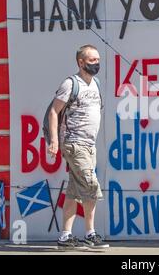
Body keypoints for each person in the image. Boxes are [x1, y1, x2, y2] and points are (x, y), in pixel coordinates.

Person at [47, 44, 108, 249]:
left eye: (98, 60)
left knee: (74, 191)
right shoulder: (70, 83)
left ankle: (65, 236)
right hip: (74, 143)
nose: (96, 64)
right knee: (91, 186)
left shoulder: (96, 83)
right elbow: (54, 112)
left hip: (89, 145)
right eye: (92, 60)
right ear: (81, 62)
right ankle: (90, 234)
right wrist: (55, 140)